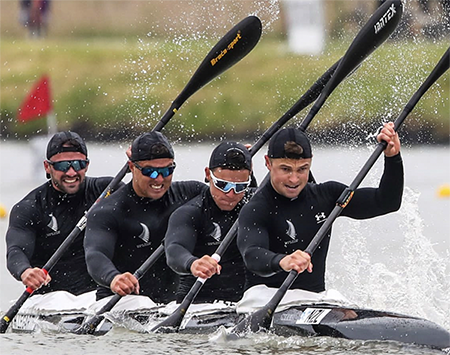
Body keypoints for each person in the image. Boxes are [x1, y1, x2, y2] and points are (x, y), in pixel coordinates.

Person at [237, 122, 403, 293]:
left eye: (302, 169)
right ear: (268, 163)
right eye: (285, 169)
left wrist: (393, 157)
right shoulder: (255, 208)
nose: (294, 179)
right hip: (263, 298)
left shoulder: (327, 195)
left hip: (314, 300)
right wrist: (283, 261)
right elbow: (252, 254)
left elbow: (386, 202)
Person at [84, 131, 207, 303]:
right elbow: (95, 255)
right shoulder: (107, 210)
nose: (160, 179)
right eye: (151, 172)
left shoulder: (189, 194)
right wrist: (114, 278)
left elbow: (231, 202)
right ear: (132, 167)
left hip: (170, 306)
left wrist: (245, 172)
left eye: (167, 170)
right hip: (121, 305)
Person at [6, 131, 118, 296]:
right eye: (62, 166)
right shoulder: (29, 207)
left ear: (87, 165)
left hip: (103, 295)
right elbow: (16, 251)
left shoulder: (108, 191)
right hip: (52, 299)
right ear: (47, 167)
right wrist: (25, 271)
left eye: (78, 164)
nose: (71, 172)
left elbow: (144, 203)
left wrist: (139, 165)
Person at [164, 142, 254, 303]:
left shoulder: (254, 206)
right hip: (198, 304)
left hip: (247, 302)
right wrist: (193, 263)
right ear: (208, 174)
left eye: (240, 186)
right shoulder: (191, 212)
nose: (231, 194)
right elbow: (174, 250)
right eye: (223, 185)